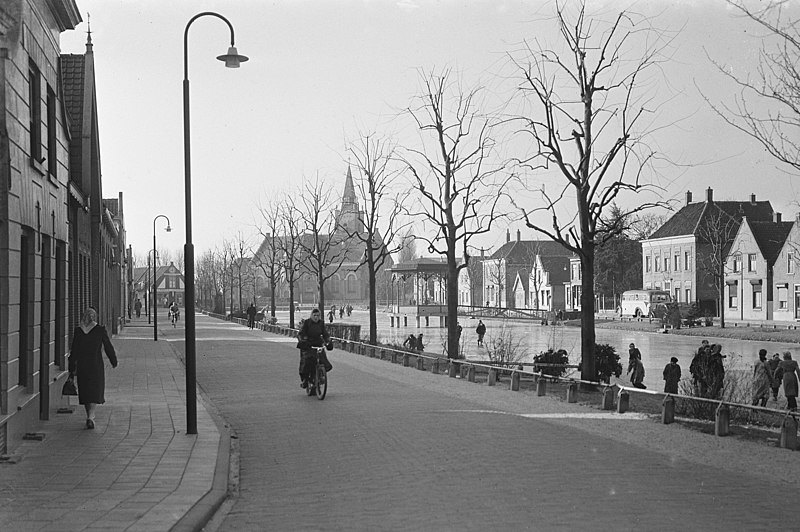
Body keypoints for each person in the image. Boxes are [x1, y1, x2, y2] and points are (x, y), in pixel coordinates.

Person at [67, 308, 118, 429]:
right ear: (94, 317)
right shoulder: (100, 330)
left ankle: (88, 415)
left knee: (85, 391)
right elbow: (108, 346)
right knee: (94, 391)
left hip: (82, 366)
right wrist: (113, 360)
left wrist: (71, 366)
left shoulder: (79, 331)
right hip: (95, 366)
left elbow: (74, 351)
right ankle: (91, 416)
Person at [297, 308, 332, 390]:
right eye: (314, 315)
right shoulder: (307, 323)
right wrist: (303, 340)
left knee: (323, 360)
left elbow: (325, 334)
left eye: (318, 315)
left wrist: (328, 342)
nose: (316, 317)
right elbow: (301, 334)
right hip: (308, 345)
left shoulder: (321, 323)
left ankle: (321, 375)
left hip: (318, 344)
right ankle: (305, 379)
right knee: (306, 362)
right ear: (311, 315)